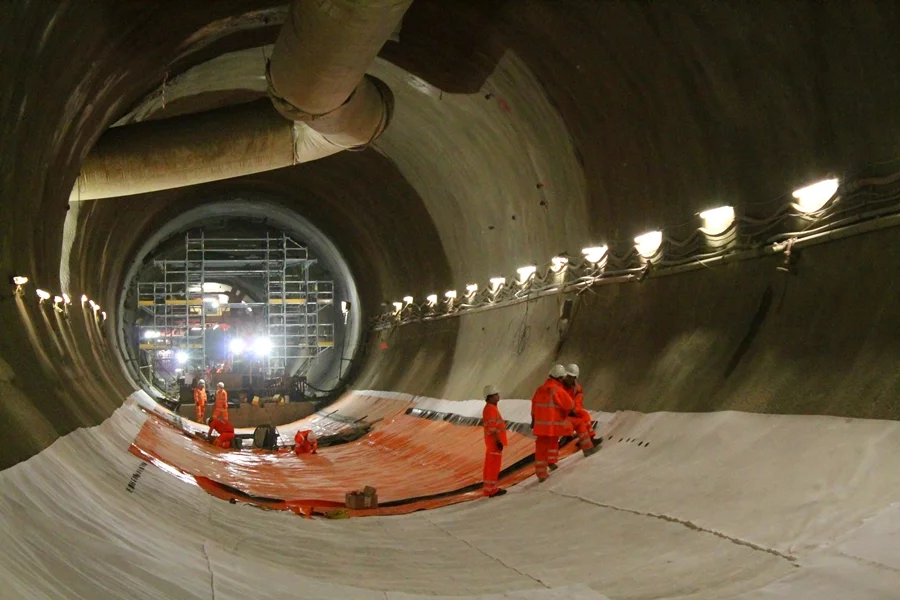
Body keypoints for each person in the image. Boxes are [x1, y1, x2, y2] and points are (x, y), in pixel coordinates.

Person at [531, 364, 574, 482]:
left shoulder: (540, 389)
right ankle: (551, 462)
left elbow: (534, 405)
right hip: (552, 424)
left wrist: (533, 420)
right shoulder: (558, 390)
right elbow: (569, 405)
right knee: (553, 441)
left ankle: (541, 473)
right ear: (560, 378)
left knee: (541, 448)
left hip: (540, 425)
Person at [563, 363, 600, 457]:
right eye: (569, 376)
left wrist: (575, 410)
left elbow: (578, 401)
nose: (570, 379)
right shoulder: (559, 386)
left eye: (573, 377)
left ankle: (590, 438)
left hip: (571, 410)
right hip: (562, 413)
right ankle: (586, 444)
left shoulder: (577, 388)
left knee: (585, 415)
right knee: (579, 423)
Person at [481, 385, 508, 498]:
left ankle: (489, 489)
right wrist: (498, 441)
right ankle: (493, 490)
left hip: (491, 442)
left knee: (489, 466)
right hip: (494, 442)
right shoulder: (491, 409)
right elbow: (492, 428)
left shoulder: (489, 408)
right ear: (490, 397)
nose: (498, 396)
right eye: (496, 394)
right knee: (493, 467)